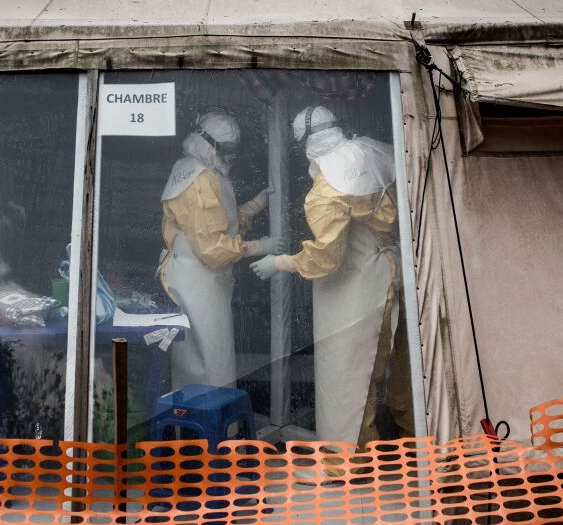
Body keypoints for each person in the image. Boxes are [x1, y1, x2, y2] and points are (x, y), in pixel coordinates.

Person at [250, 105, 413, 444]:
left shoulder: (327, 190)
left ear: (305, 144)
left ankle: (349, 462)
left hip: (358, 288)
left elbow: (327, 257)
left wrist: (280, 262)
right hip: (395, 273)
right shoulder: (370, 149)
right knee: (402, 370)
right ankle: (417, 444)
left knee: (350, 374)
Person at [159, 111, 282, 389]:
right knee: (211, 366)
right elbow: (213, 248)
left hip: (198, 280)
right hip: (199, 282)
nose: (233, 157)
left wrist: (253, 206)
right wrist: (259, 246)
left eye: (235, 151)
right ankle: (210, 430)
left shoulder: (197, 169)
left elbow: (215, 221)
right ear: (209, 144)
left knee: (200, 362)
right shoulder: (200, 179)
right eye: (228, 150)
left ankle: (198, 427)